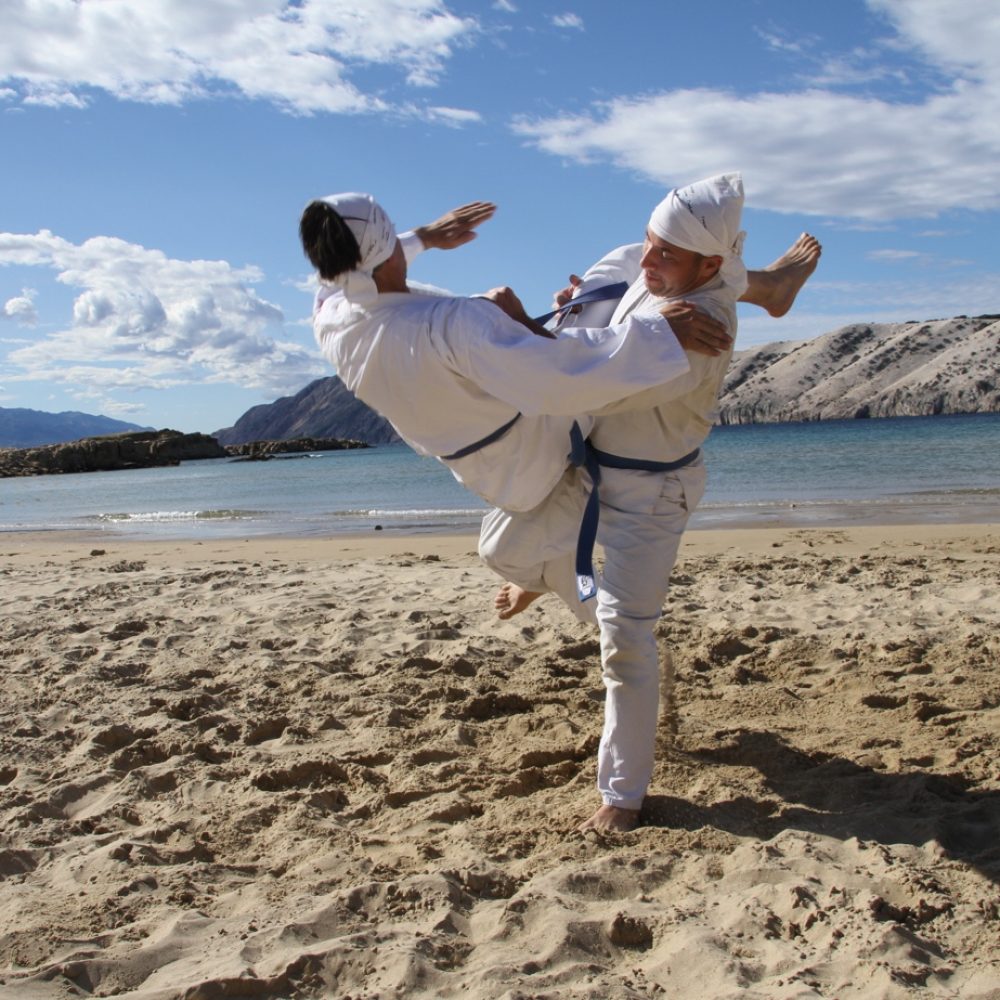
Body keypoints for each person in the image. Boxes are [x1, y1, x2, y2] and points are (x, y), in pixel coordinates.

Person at [484, 174, 821, 834]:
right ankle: (773, 287)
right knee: (499, 551)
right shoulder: (671, 270)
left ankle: (623, 794)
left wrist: (524, 327)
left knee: (627, 647)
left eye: (665, 254)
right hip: (585, 468)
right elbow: (611, 303)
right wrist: (575, 309)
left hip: (651, 494)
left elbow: (576, 385)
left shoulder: (702, 333)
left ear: (710, 265)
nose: (646, 261)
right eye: (649, 241)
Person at [301, 193, 735, 604]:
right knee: (616, 272)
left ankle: (756, 283)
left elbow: (354, 277)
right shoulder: (452, 326)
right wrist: (658, 335)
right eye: (393, 235)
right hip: (540, 452)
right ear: (384, 250)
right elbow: (558, 380)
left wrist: (426, 238)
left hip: (512, 461)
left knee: (614, 272)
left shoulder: (333, 318)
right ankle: (741, 279)